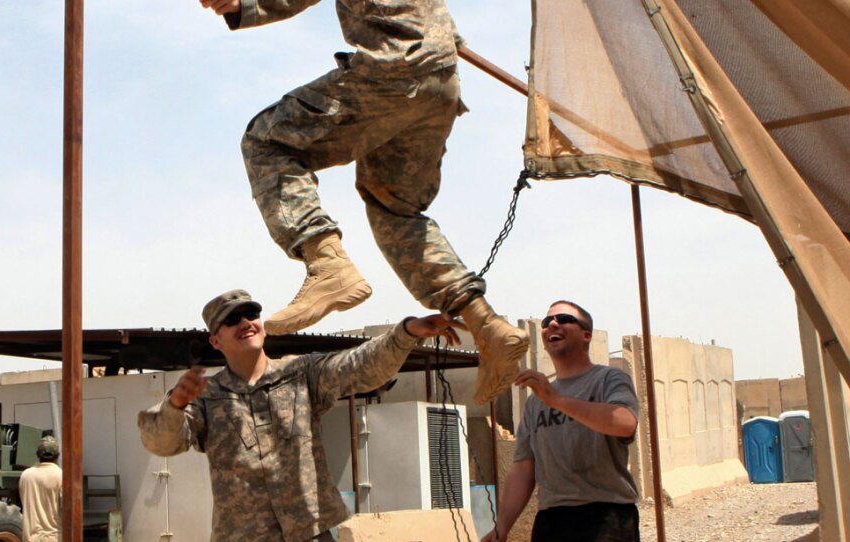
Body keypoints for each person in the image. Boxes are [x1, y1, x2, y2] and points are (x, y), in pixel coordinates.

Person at [196, 0, 529, 404]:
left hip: (394, 71)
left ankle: (326, 262)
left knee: (267, 140)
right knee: (395, 207)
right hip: (440, 81)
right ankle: (486, 324)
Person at [138, 289, 463, 541]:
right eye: (232, 320)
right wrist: (175, 407)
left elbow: (359, 366)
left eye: (251, 313)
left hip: (312, 534)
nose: (245, 323)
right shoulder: (205, 395)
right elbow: (163, 442)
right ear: (215, 339)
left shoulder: (301, 373)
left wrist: (405, 332)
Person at [482, 300, 640, 542]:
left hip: (607, 515)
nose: (552, 324)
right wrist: (502, 527)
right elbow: (524, 468)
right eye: (547, 322)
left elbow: (624, 422)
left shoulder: (608, 379)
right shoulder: (535, 402)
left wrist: (556, 400)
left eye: (564, 319)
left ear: (586, 335)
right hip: (552, 521)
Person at [18, 436, 62, 542]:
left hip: (30, 537)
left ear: (38, 454)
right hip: (55, 537)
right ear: (57, 455)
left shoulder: (25, 475)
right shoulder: (61, 476)